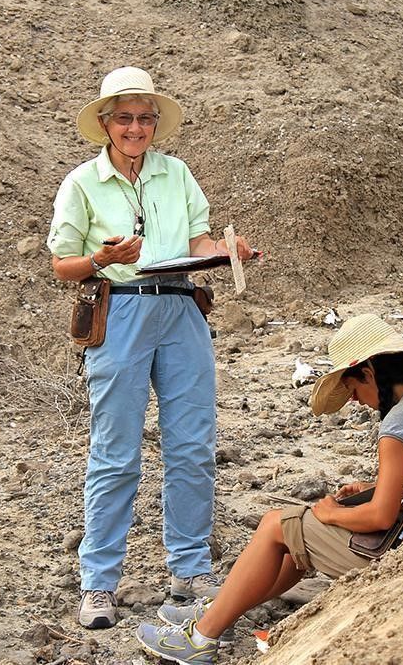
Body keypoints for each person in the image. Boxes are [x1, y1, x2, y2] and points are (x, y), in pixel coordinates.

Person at [136, 313, 403, 664]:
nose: (356, 401)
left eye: (352, 388)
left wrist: (331, 513)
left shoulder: (400, 422)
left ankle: (198, 640)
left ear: (369, 371)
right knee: (294, 538)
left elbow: (381, 515)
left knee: (276, 524)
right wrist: (371, 489)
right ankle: (219, 611)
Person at [47, 67, 254, 629]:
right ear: (106, 124)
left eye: (144, 118)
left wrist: (227, 249)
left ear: (155, 123)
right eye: (124, 118)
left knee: (192, 445)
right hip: (121, 308)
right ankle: (98, 582)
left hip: (182, 306)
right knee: (115, 451)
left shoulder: (178, 174)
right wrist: (103, 260)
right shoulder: (82, 183)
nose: (135, 127)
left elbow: (197, 241)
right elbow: (62, 263)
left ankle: (189, 572)